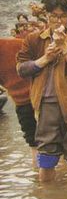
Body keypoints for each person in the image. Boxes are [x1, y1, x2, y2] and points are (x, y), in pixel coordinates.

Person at [16, 0, 67, 182]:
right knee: (46, 158)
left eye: (63, 16)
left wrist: (66, 49)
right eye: (53, 16)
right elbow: (21, 69)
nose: (58, 21)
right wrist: (45, 59)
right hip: (46, 104)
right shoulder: (33, 40)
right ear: (46, 16)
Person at [0, 38, 38, 167]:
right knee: (52, 141)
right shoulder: (17, 43)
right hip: (39, 98)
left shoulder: (17, 44)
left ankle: (41, 181)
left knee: (35, 144)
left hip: (35, 98)